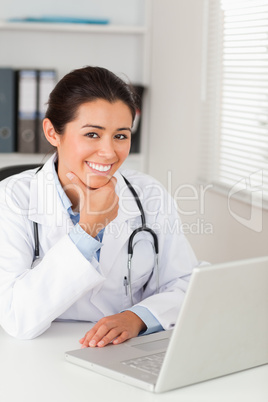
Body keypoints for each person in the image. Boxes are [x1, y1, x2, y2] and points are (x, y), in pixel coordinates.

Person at [0, 66, 200, 347]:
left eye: (120, 135)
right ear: (52, 132)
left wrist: (138, 318)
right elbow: (16, 317)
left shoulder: (150, 194)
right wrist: (87, 230)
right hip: (38, 354)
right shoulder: (11, 199)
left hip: (124, 351)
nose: (109, 152)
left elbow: (186, 284)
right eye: (92, 134)